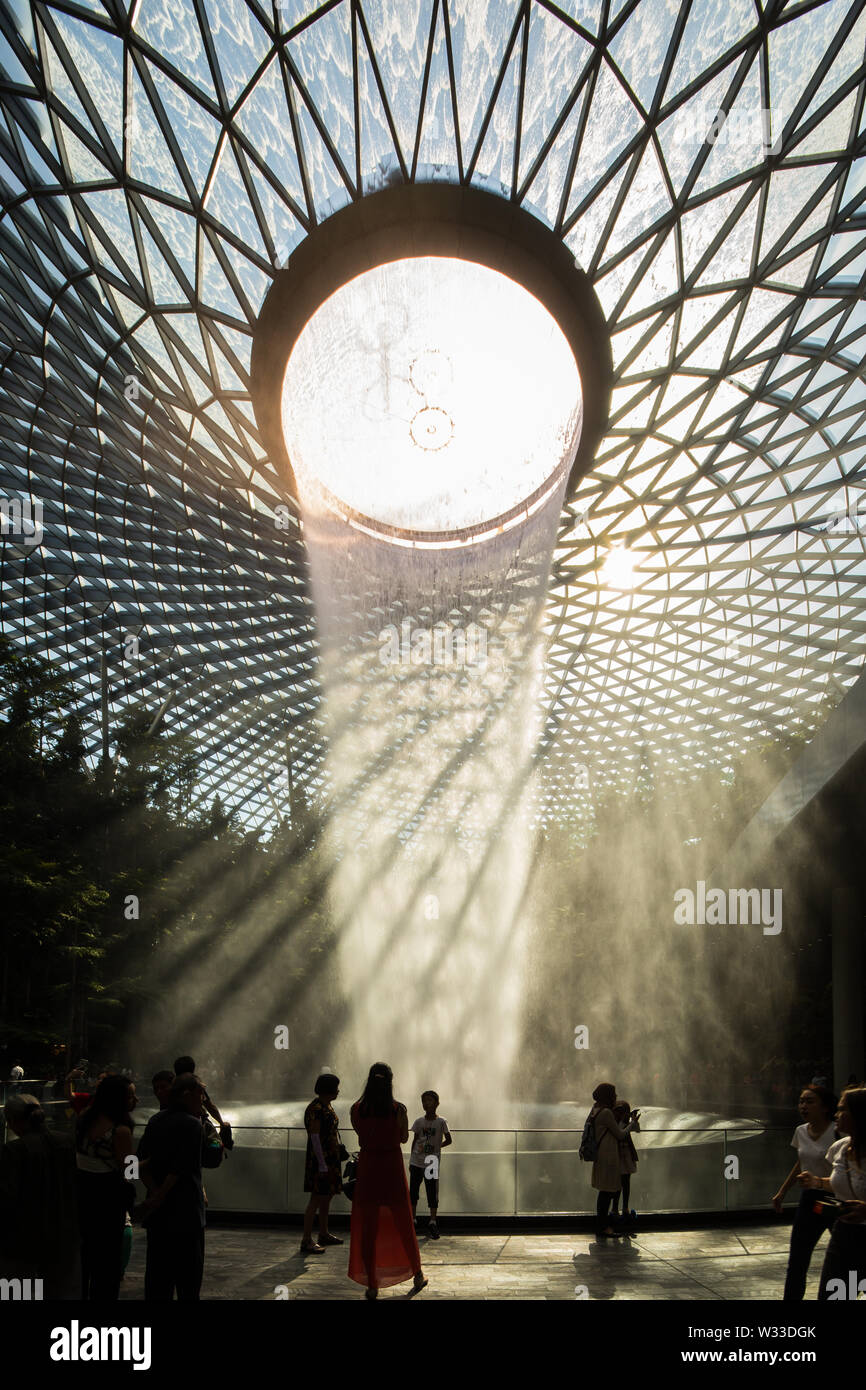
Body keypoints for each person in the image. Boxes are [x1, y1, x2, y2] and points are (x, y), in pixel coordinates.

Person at [348, 1063, 427, 1299]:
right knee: (404, 1222)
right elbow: (403, 1138)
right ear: (390, 1083)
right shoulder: (398, 1110)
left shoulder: (357, 1109)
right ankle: (418, 1274)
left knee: (368, 1227)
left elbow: (360, 1135)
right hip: (391, 1168)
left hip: (369, 1168)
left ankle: (372, 1285)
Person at [0, 1094, 80, 1298]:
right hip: (63, 1236)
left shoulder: (13, 1150)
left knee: (17, 1294)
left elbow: (7, 1197)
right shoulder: (68, 1141)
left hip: (23, 1241)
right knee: (58, 1293)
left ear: (12, 1121)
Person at [136, 1073, 208, 1301]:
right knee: (189, 1281)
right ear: (187, 1094)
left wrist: (155, 1194)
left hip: (158, 1217)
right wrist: (161, 1194)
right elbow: (182, 1168)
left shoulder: (156, 1120)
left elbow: (139, 1164)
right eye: (200, 1093)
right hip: (186, 1212)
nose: (203, 1098)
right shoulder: (193, 1125)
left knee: (158, 1280)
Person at [798, 1086, 866, 1300]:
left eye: (842, 1109)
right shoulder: (839, 1149)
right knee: (833, 1296)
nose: (837, 1115)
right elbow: (840, 1184)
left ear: (860, 1114)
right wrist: (817, 1182)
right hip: (844, 1234)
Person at [771, 1083, 838, 1300]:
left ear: (826, 1107)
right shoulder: (800, 1131)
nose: (803, 1106)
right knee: (797, 1259)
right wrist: (782, 1192)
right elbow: (801, 1163)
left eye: (810, 1101)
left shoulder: (838, 1132)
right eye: (801, 1101)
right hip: (810, 1199)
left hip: (837, 1198)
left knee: (847, 1256)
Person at [75, 1074, 137, 1299]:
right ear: (117, 1099)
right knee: (107, 1263)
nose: (135, 1100)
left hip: (82, 1194)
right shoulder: (121, 1131)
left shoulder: (84, 1118)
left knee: (84, 1257)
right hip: (109, 1201)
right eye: (130, 1095)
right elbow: (130, 1171)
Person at [586, 1082, 640, 1238]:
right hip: (608, 1155)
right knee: (607, 1192)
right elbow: (620, 1134)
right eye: (613, 1094)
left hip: (601, 1155)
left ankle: (602, 1225)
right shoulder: (606, 1113)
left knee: (604, 1191)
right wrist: (632, 1124)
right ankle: (603, 1227)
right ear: (607, 1096)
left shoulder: (595, 1110)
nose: (616, 1096)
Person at [301, 1073, 346, 1253]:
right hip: (321, 1159)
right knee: (316, 1198)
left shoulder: (326, 1106)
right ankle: (306, 1239)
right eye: (336, 1087)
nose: (338, 1090)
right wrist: (321, 1163)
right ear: (328, 1089)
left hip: (330, 1158)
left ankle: (323, 1233)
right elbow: (314, 1137)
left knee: (326, 1196)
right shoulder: (316, 1109)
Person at [408, 1090, 452, 1239]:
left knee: (432, 1190)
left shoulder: (442, 1122)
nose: (427, 1103)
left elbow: (449, 1140)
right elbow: (414, 1140)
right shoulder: (419, 1122)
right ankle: (413, 1219)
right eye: (424, 1101)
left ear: (437, 1103)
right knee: (413, 1190)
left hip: (431, 1161)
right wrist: (411, 1158)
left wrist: (437, 1147)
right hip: (416, 1160)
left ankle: (433, 1221)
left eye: (430, 1100)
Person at [174, 1054, 232, 1148]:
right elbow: (210, 1106)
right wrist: (221, 1124)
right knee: (214, 1144)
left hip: (179, 1153)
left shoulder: (173, 1087)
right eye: (200, 1093)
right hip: (201, 1149)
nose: (201, 1096)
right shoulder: (194, 1084)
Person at [610, 1099, 639, 1232]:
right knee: (617, 1184)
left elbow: (637, 1130)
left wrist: (634, 1121)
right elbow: (621, 1133)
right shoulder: (616, 1123)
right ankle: (615, 1208)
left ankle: (625, 1207)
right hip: (618, 1155)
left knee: (626, 1182)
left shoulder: (626, 1122)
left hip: (626, 1154)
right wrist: (628, 1122)